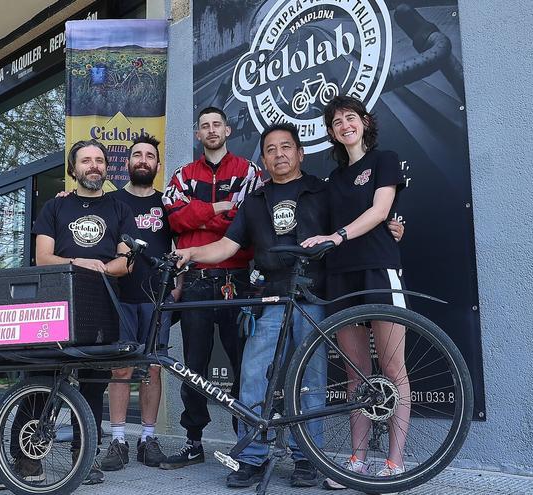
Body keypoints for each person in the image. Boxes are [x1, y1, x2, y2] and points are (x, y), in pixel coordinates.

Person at [175, 123, 405, 489]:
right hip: (271, 298)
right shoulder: (254, 202)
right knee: (252, 374)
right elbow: (227, 247)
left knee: (311, 381)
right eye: (270, 149)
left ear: (300, 153)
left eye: (286, 147)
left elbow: (360, 219)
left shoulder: (324, 192)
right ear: (263, 160)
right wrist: (190, 252)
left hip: (314, 299)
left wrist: (393, 225)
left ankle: (306, 458)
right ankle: (250, 456)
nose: (279, 153)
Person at [0, 139, 135, 490]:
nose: (94, 166)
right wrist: (78, 262)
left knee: (93, 387)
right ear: (74, 168)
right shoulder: (54, 207)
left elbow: (126, 259)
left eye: (99, 160)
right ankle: (23, 462)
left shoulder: (119, 209)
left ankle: (86, 460)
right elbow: (43, 258)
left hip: (101, 306)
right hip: (53, 307)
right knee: (38, 383)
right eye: (86, 160)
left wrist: (102, 270)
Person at [302, 95, 411, 487]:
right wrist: (324, 240)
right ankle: (357, 460)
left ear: (364, 121)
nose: (345, 125)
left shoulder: (385, 159)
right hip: (340, 276)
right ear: (330, 132)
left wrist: (338, 235)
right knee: (357, 376)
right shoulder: (331, 180)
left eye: (351, 117)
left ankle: (395, 462)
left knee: (394, 369)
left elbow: (382, 212)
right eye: (336, 122)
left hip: (378, 270)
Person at [160, 107, 263, 469]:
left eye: (217, 124)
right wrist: (219, 207)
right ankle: (193, 442)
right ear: (197, 134)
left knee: (245, 367)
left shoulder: (248, 172)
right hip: (197, 284)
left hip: (236, 282)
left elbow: (248, 222)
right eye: (204, 126)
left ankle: (247, 445)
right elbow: (175, 217)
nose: (211, 130)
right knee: (194, 366)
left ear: (228, 129)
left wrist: (199, 212)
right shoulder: (183, 174)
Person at [100, 135, 179, 471]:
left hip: (156, 300)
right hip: (119, 299)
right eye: (137, 155)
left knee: (152, 369)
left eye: (149, 156)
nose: (143, 160)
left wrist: (178, 289)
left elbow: (181, 247)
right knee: (120, 369)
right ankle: (118, 440)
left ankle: (148, 438)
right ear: (128, 163)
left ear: (157, 165)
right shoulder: (111, 202)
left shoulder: (169, 204)